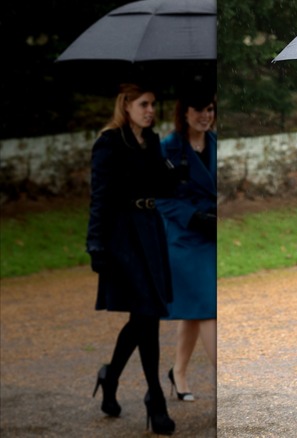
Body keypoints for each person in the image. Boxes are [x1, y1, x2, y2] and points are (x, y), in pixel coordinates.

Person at [86, 82, 176, 435]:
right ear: (125, 104)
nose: (150, 109)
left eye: (153, 103)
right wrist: (96, 245)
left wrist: (172, 169)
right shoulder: (109, 142)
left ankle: (110, 376)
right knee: (146, 316)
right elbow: (99, 197)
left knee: (143, 316)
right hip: (122, 236)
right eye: (143, 104)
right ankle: (155, 398)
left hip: (150, 231)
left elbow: (163, 187)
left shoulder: (152, 141)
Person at [155, 80, 217, 403]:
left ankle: (177, 372)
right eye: (198, 110)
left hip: (213, 235)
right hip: (184, 238)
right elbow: (162, 199)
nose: (205, 116)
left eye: (209, 109)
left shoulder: (217, 143)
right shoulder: (168, 148)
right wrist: (195, 218)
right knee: (208, 305)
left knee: (195, 309)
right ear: (185, 112)